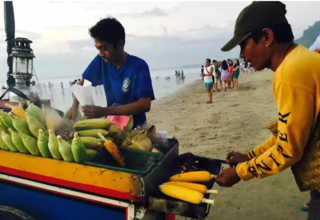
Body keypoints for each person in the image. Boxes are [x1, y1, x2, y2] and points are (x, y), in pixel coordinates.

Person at [216, 1, 320, 219]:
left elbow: (288, 149)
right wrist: (250, 156)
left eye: (244, 45)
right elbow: (289, 131)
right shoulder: (299, 60)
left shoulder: (291, 73)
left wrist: (240, 173)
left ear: (267, 37)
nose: (242, 55)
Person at [65, 17, 155, 129]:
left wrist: (104, 111)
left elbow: (145, 104)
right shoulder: (101, 61)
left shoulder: (138, 66)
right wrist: (74, 106)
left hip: (136, 128)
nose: (101, 53)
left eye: (104, 48)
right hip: (112, 126)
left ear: (120, 44)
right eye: (98, 49)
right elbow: (82, 84)